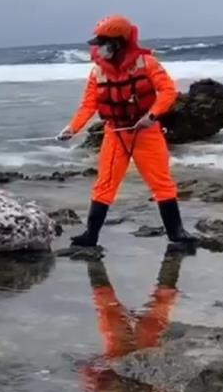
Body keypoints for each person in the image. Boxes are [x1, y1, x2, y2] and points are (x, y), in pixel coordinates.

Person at [57, 16, 196, 248]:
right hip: (115, 133)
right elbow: (88, 105)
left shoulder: (147, 63)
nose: (98, 48)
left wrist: (151, 116)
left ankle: (177, 234)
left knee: (162, 184)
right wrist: (72, 129)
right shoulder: (97, 72)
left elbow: (167, 92)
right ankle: (90, 236)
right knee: (105, 184)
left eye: (103, 43)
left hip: (147, 132)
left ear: (118, 43)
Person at [79, 254, 184, 392]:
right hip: (134, 361)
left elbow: (94, 382)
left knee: (118, 308)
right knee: (123, 308)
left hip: (125, 361)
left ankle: (93, 258)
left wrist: (91, 370)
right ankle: (174, 257)